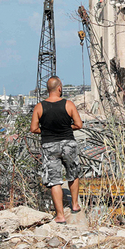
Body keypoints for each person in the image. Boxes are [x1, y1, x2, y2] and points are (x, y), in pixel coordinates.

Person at [31, 76, 83, 224]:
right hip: (68, 143)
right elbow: (79, 125)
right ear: (59, 88)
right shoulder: (69, 104)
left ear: (48, 89)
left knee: (55, 181)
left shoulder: (39, 107)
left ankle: (60, 216)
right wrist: (67, 127)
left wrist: (47, 130)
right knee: (73, 174)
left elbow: (34, 128)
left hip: (49, 145)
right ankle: (74, 205)